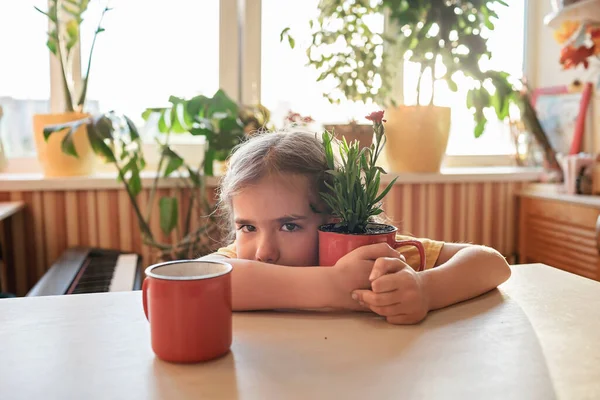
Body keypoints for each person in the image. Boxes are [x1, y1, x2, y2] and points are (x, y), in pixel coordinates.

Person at [201, 129, 511, 325]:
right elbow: (201, 280)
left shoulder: (373, 261)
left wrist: (426, 291)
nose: (264, 252)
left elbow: (492, 264)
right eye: (248, 228)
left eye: (289, 227)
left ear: (337, 219)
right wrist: (335, 285)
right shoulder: (240, 262)